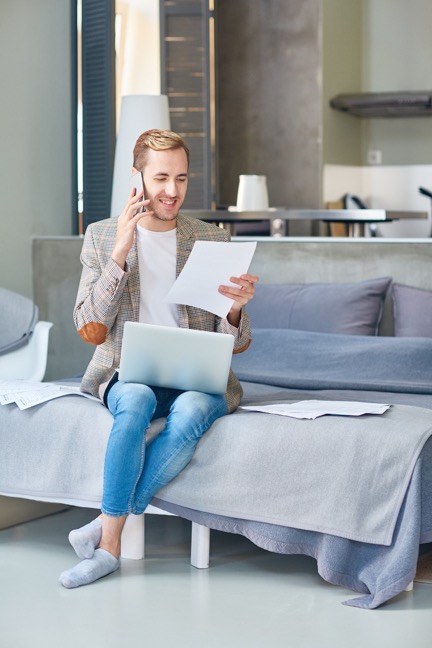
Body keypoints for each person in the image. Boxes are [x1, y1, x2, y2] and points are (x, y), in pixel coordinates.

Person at [59, 129, 258, 588]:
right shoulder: (102, 235)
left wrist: (235, 307)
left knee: (190, 409)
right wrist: (121, 252)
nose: (172, 191)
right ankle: (110, 550)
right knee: (135, 404)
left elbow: (236, 340)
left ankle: (108, 528)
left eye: (182, 179)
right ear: (138, 178)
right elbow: (89, 328)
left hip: (198, 378)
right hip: (128, 371)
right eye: (161, 177)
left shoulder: (209, 238)